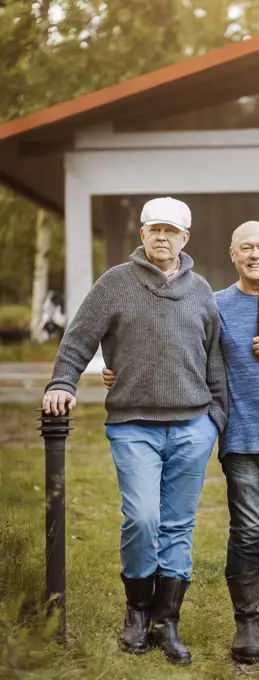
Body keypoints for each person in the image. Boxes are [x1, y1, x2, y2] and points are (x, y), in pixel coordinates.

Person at [103, 219, 259, 667]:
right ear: (233, 254)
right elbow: (178, 350)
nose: (256, 255)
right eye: (246, 247)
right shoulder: (214, 304)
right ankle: (246, 624)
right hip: (243, 442)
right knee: (247, 535)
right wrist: (123, 371)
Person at [42, 197, 228, 665]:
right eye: (154, 229)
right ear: (142, 235)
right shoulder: (115, 284)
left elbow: (216, 361)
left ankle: (167, 623)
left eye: (171, 230)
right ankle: (136, 613)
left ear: (185, 239)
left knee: (179, 525)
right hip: (133, 426)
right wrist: (63, 381)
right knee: (143, 519)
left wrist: (215, 420)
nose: (161, 237)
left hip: (191, 426)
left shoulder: (202, 290)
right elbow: (79, 336)